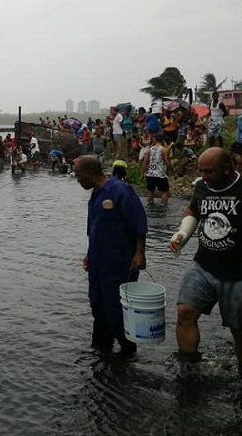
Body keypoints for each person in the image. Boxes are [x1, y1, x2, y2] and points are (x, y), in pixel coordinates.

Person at [168, 147, 242, 386]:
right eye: (201, 170)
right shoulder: (202, 187)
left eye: (209, 171)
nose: (203, 175)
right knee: (185, 312)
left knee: (240, 332)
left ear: (227, 168)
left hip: (241, 273)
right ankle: (188, 374)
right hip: (203, 265)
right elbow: (193, 210)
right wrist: (182, 234)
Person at [74, 155, 147, 354]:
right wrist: (89, 254)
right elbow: (95, 229)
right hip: (99, 261)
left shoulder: (120, 191)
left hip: (120, 262)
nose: (77, 180)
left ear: (90, 174)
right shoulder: (96, 194)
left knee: (116, 309)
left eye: (79, 176)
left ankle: (127, 353)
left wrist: (140, 253)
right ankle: (101, 350)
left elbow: (139, 223)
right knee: (97, 305)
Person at [141, 133, 172, 205]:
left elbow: (145, 162)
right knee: (164, 191)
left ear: (155, 140)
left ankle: (149, 205)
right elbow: (167, 162)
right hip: (161, 174)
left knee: (151, 191)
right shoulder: (164, 150)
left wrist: (142, 173)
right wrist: (168, 171)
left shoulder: (149, 150)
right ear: (163, 141)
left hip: (150, 173)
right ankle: (163, 206)